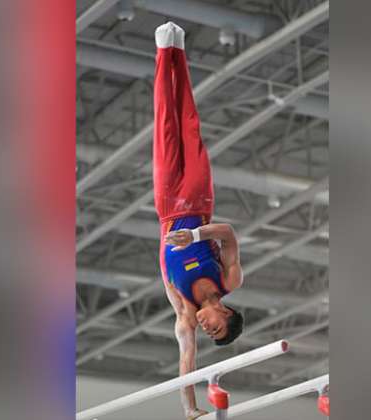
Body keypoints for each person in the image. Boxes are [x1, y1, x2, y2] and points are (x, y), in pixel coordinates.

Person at [152, 21, 245, 420]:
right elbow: (228, 233)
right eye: (217, 329)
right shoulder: (230, 280)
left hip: (168, 205)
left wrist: (189, 410)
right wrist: (195, 234)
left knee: (165, 128)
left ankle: (162, 52)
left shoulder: (185, 313)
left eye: (211, 335)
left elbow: (187, 362)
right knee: (189, 126)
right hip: (198, 201)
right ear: (226, 313)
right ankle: (180, 52)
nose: (207, 330)